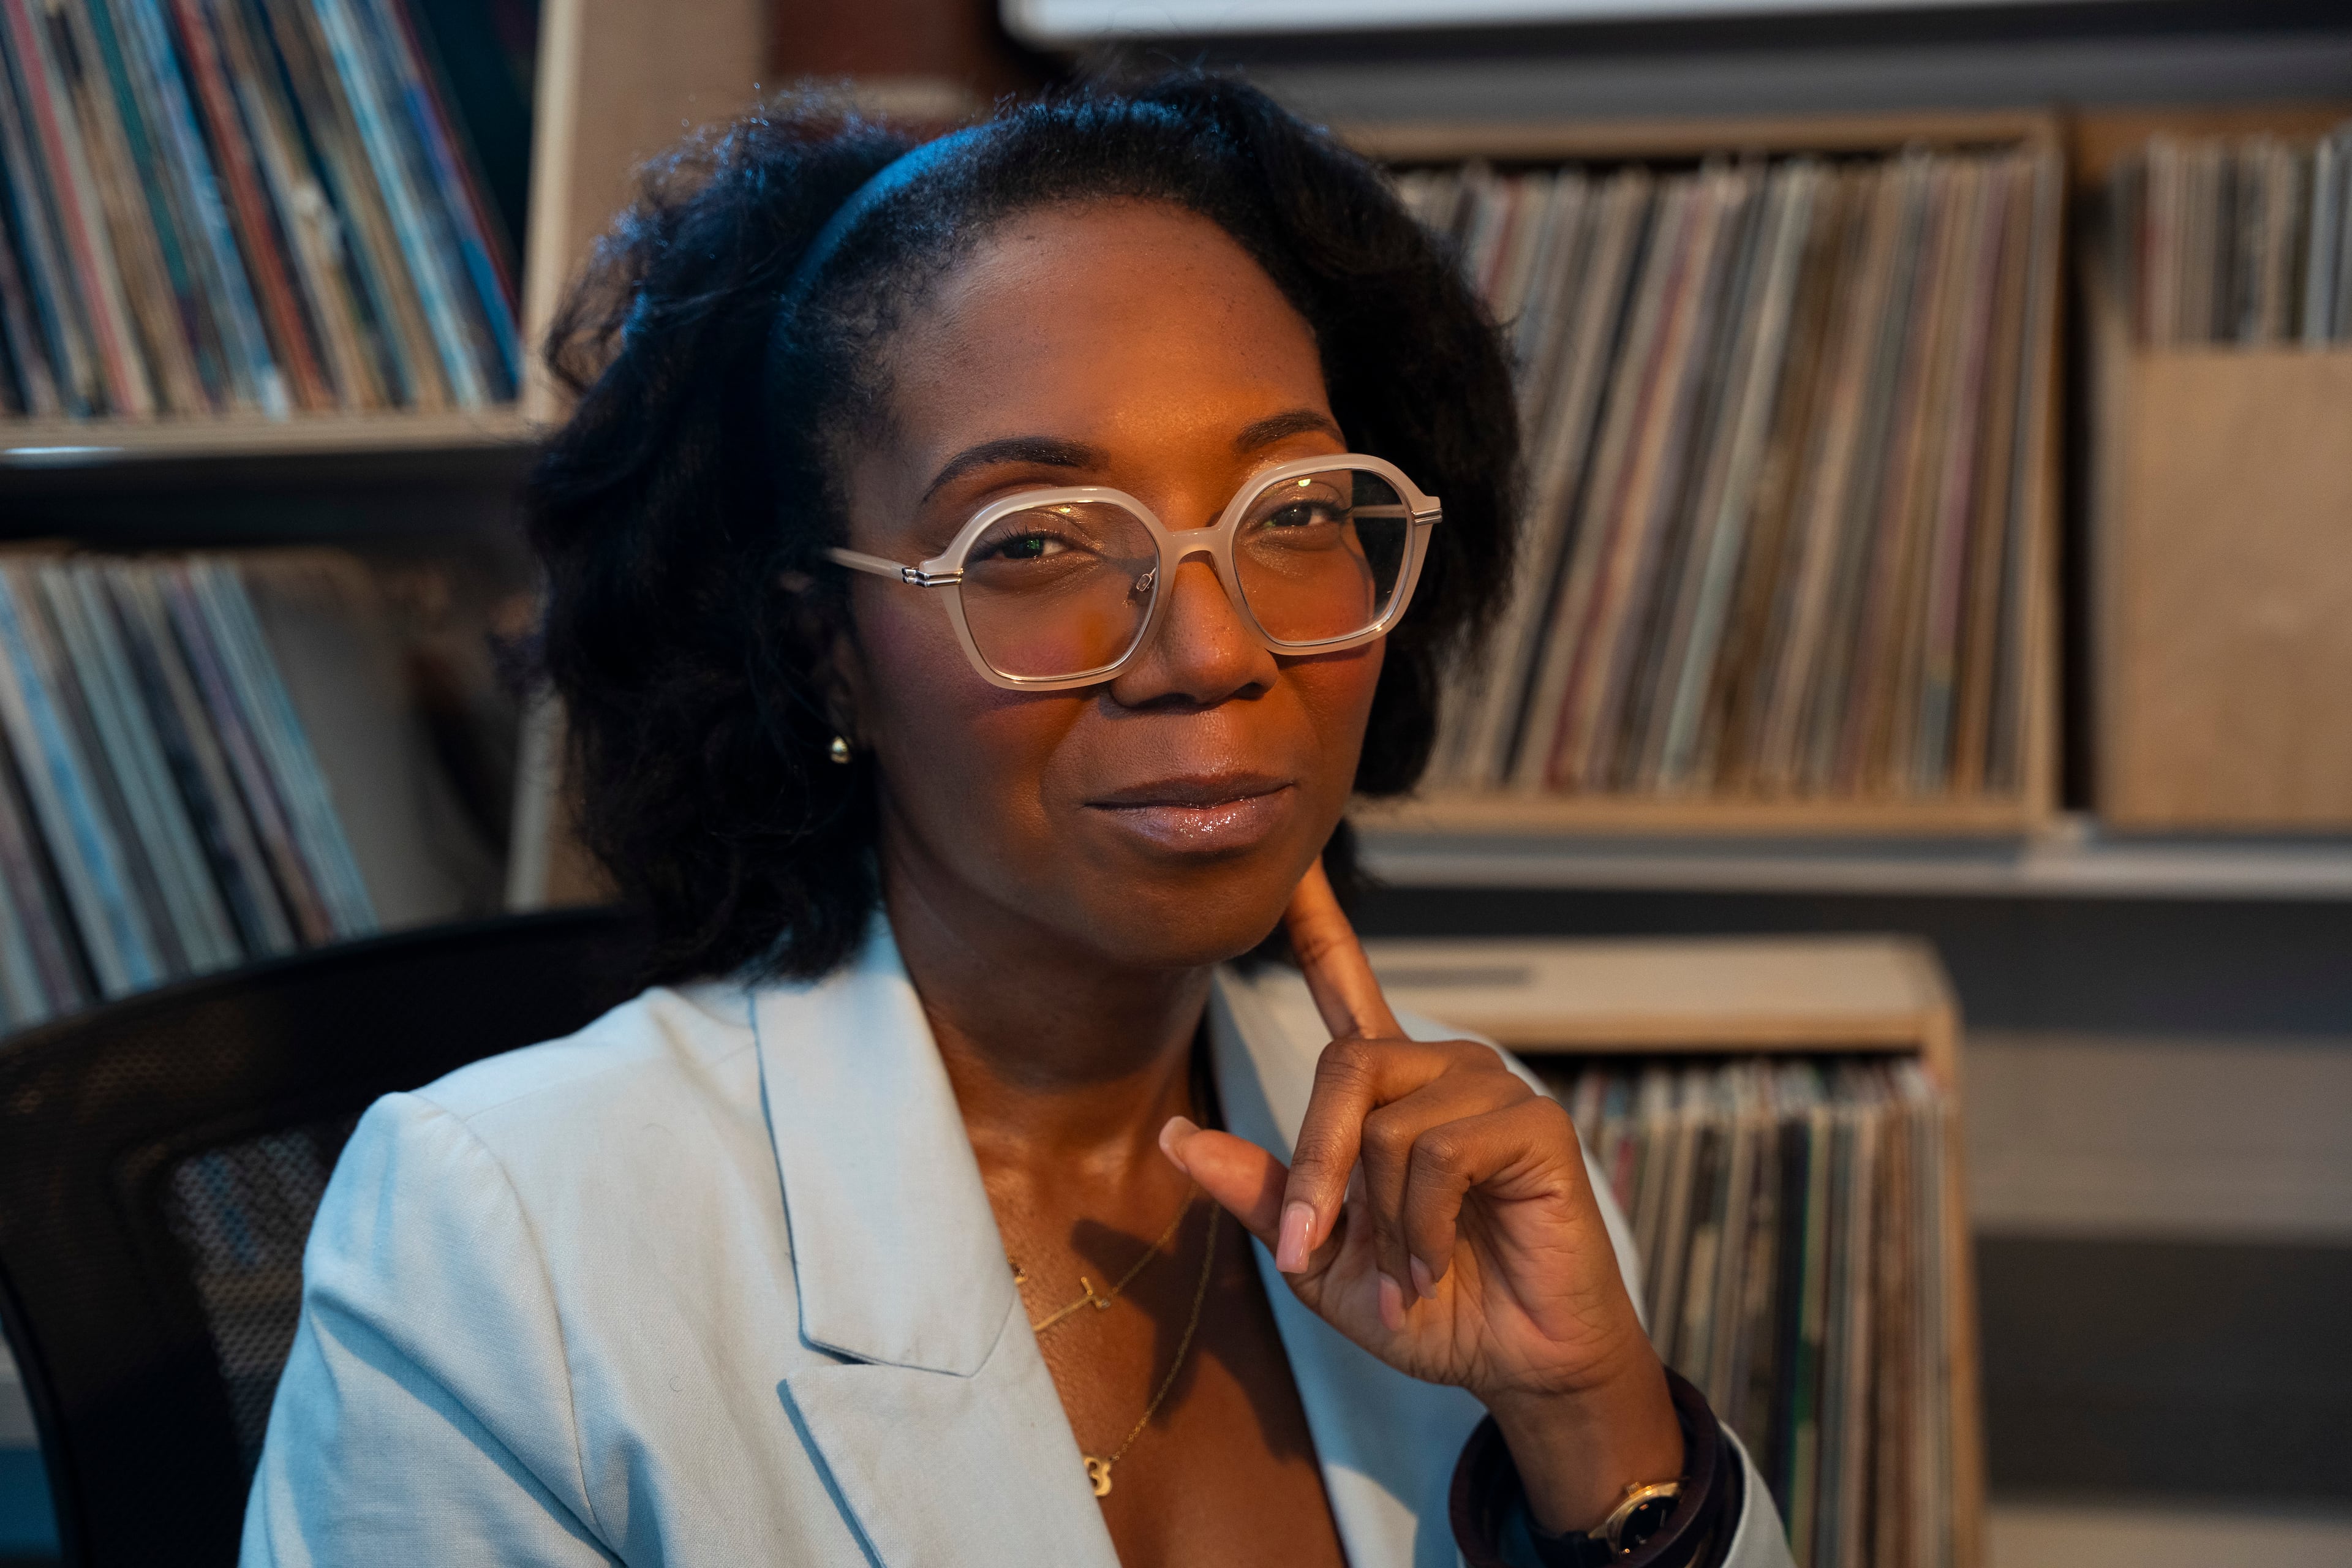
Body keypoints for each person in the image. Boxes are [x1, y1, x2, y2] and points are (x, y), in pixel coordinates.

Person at [243, 72, 1795, 1568]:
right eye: (1037, 540)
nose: (1212, 650)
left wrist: (1592, 1424)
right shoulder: (503, 1245)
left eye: (1298, 511)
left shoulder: (1482, 1171)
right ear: (823, 643)